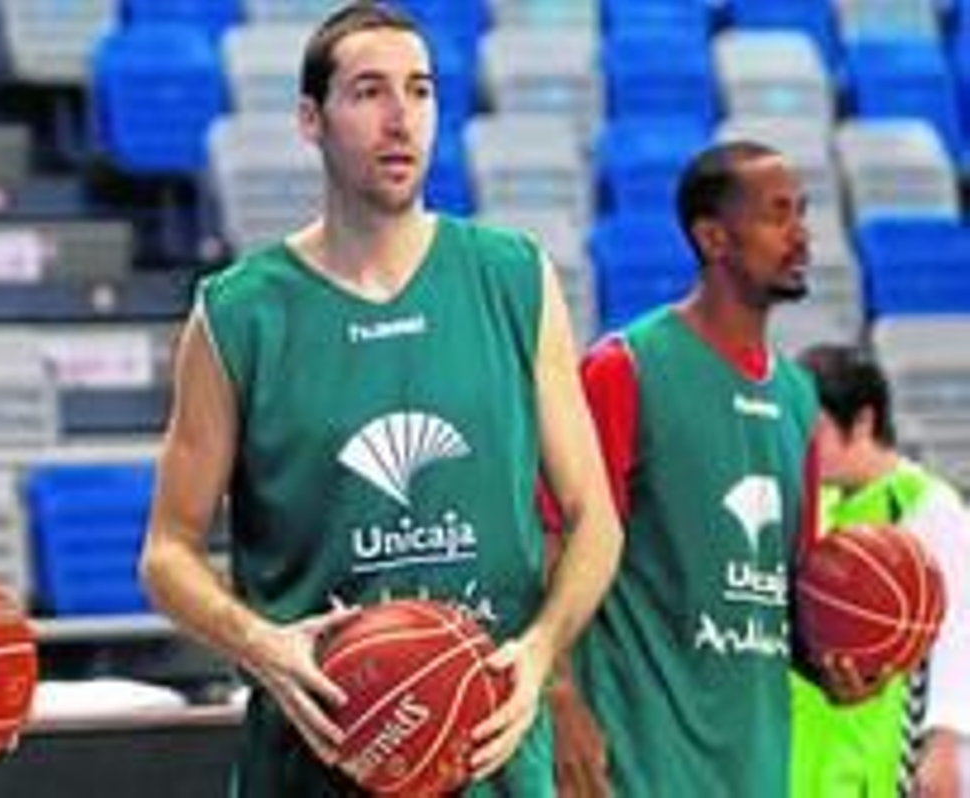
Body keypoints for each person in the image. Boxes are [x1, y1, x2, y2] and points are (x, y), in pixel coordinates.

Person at [136, 3, 623, 794]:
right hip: (315, 756)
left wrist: (537, 657)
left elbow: (594, 518)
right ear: (310, 119)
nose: (401, 118)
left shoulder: (515, 276)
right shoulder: (238, 311)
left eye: (420, 90)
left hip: (488, 755)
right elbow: (167, 552)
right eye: (368, 92)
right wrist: (262, 643)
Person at [549, 140, 827, 797]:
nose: (801, 234)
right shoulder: (627, 367)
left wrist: (841, 660)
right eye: (777, 215)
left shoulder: (799, 399)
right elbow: (552, 539)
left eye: (804, 213)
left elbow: (787, 590)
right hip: (638, 762)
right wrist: (558, 699)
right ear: (713, 238)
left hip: (755, 768)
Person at [790, 344, 970, 798]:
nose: (802, 446)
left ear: (864, 422)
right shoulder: (815, 501)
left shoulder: (928, 505)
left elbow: (960, 636)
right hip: (812, 751)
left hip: (886, 756)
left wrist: (946, 743)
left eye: (816, 432)